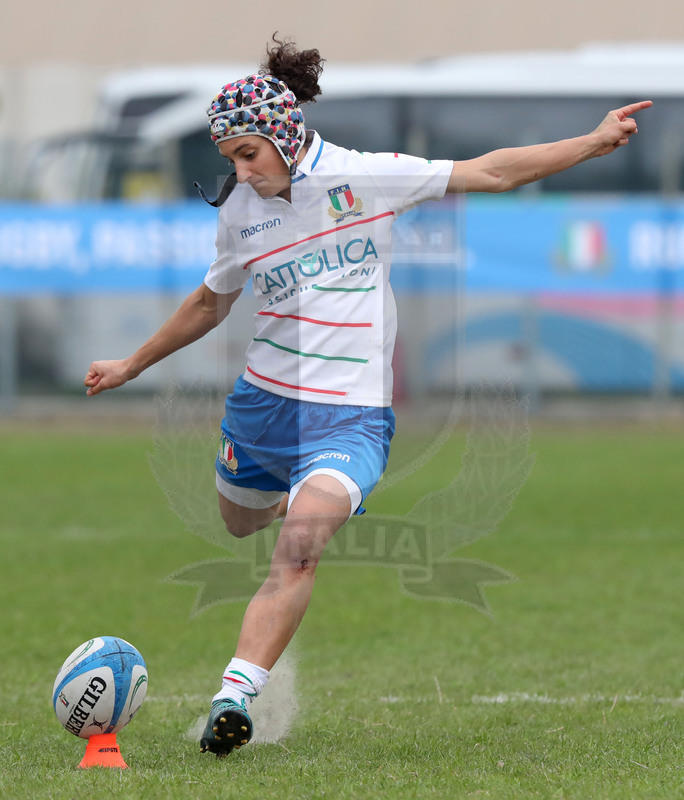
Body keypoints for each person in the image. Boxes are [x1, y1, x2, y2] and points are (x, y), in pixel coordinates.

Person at [84, 36, 651, 757]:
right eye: (229, 158)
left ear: (284, 137)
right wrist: (132, 364)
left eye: (247, 154)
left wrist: (595, 142)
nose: (239, 171)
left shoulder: (367, 178)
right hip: (262, 404)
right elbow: (209, 301)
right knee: (237, 523)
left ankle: (234, 698)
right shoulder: (239, 212)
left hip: (350, 414)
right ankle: (301, 493)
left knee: (299, 547)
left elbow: (494, 170)